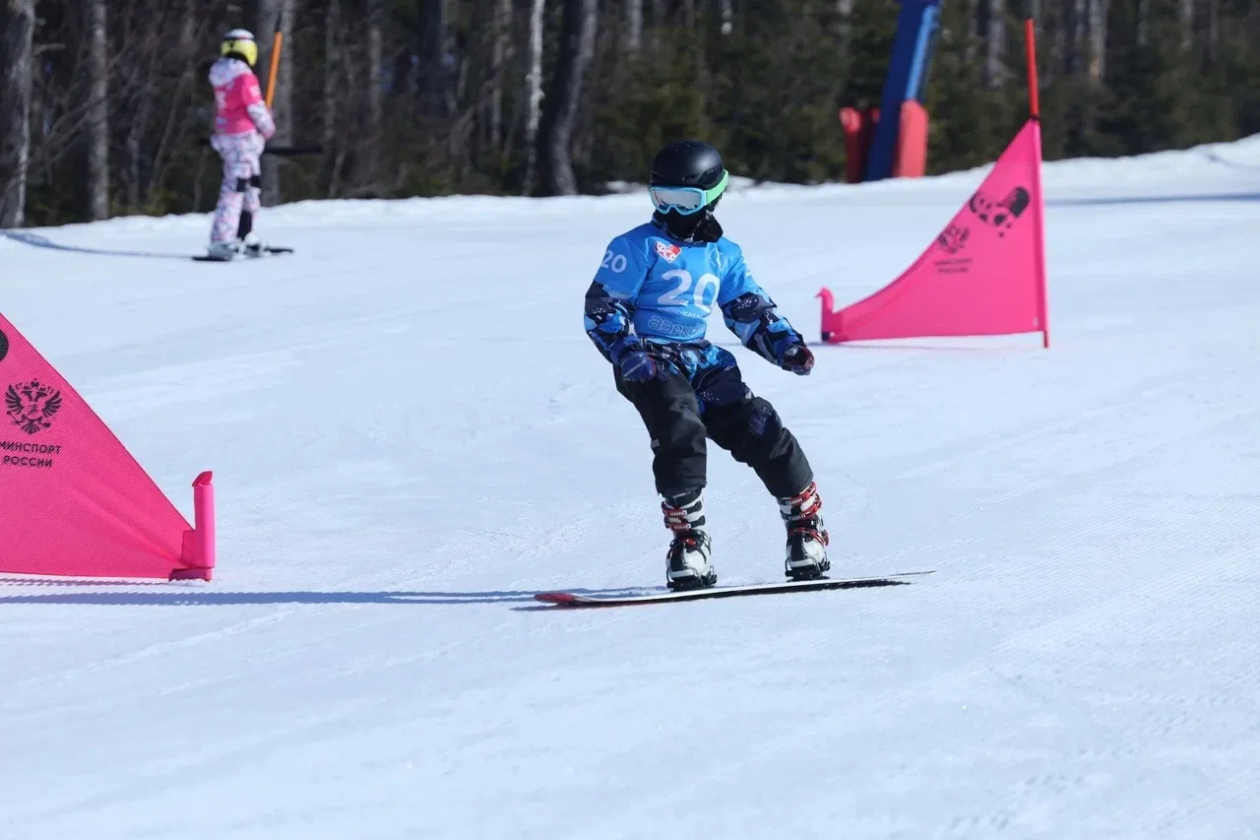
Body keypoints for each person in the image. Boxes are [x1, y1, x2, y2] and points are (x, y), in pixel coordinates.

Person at [583, 140, 829, 591]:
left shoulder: (724, 254)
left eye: (687, 202)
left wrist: (786, 346)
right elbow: (602, 307)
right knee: (678, 423)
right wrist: (626, 349)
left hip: (702, 360)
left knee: (758, 425)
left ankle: (805, 528)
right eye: (664, 200)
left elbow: (748, 308)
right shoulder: (637, 246)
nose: (674, 213)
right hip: (649, 360)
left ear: (714, 196)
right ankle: (689, 541)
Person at [206, 29, 275, 260]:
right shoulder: (244, 76)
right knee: (236, 186)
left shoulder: (219, 73)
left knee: (250, 184)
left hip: (226, 134)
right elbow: (255, 106)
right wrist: (267, 127)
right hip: (242, 137)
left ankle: (246, 234)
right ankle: (221, 239)